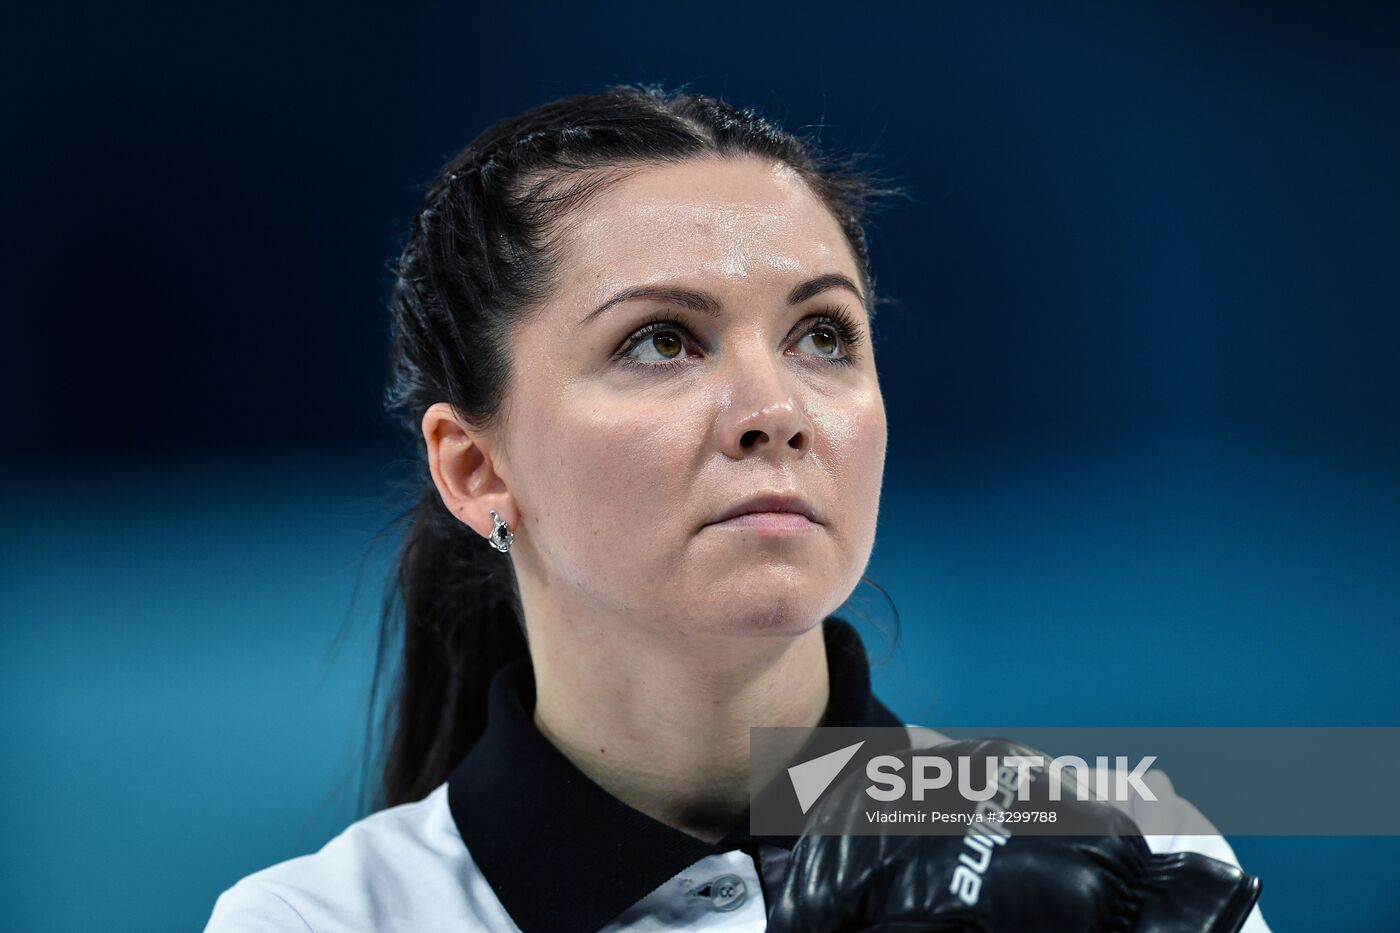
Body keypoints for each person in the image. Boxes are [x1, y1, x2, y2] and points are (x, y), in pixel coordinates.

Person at [203, 83, 1270, 932]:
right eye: (660, 340)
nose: (775, 410)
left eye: (822, 336)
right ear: (476, 468)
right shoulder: (316, 922)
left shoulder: (1127, 853)